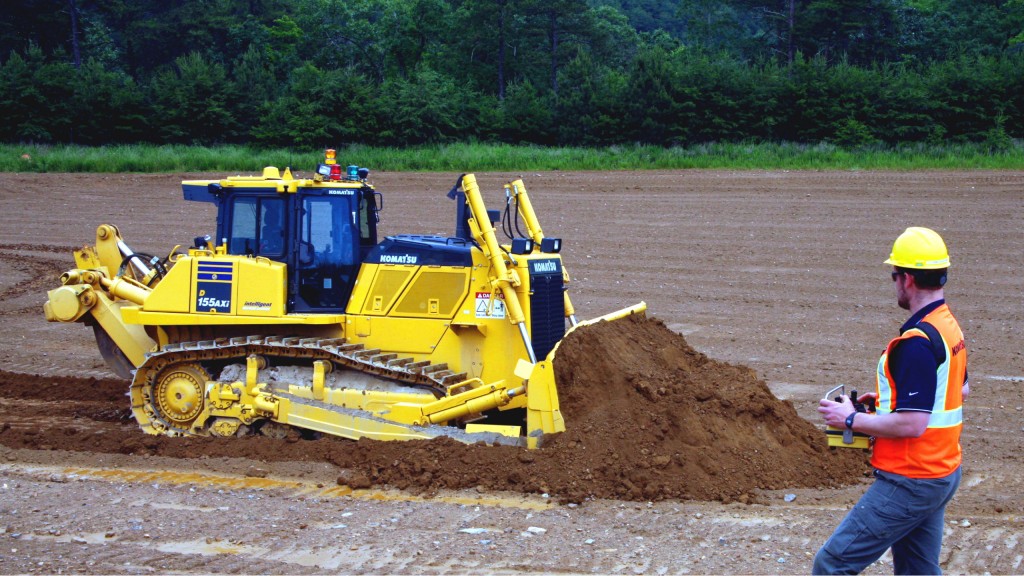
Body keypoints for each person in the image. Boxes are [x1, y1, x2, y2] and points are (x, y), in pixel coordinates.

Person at [814, 227, 968, 575]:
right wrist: (888, 402)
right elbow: (958, 389)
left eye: (894, 275)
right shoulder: (948, 328)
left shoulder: (915, 342)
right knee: (917, 570)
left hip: (911, 478)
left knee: (831, 565)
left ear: (907, 279)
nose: (894, 283)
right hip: (942, 471)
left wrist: (850, 420)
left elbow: (912, 423)